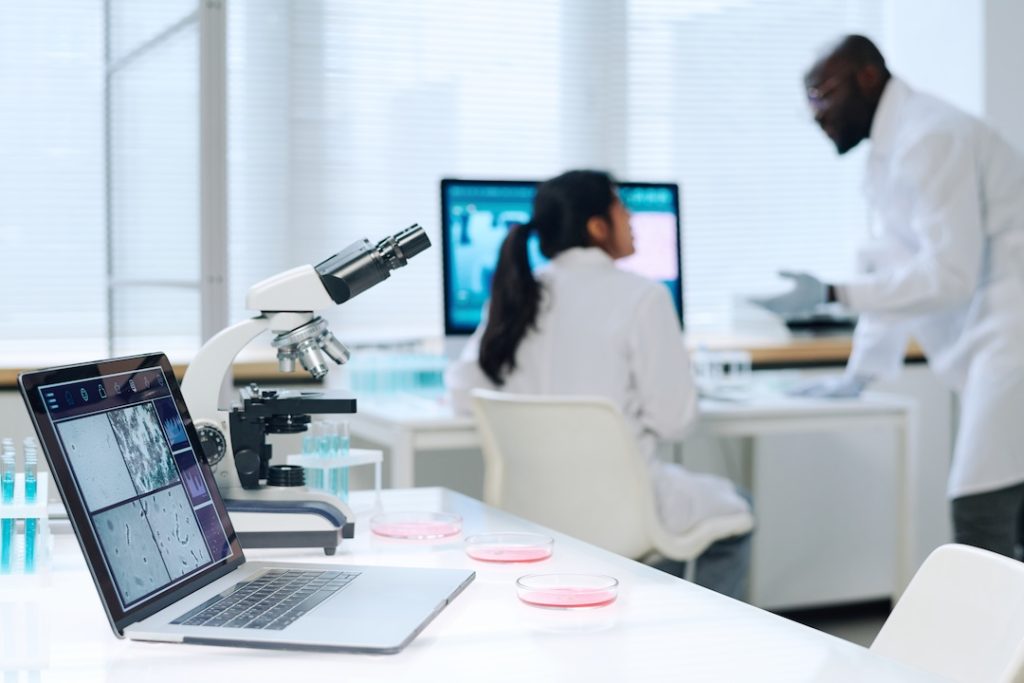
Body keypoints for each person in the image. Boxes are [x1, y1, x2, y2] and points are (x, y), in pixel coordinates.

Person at [754, 35, 1024, 558]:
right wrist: (859, 374)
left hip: (1010, 334)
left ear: (867, 78)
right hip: (993, 338)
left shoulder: (931, 137)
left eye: (821, 94)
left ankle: (981, 641)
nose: (815, 113)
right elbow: (897, 267)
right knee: (1000, 509)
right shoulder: (894, 148)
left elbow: (949, 276)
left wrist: (834, 293)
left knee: (980, 511)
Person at [446, 170, 752, 598]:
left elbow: (465, 393)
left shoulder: (519, 296)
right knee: (739, 507)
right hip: (626, 514)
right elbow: (674, 422)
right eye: (622, 207)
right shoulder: (644, 297)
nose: (632, 219)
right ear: (597, 225)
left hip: (532, 514)